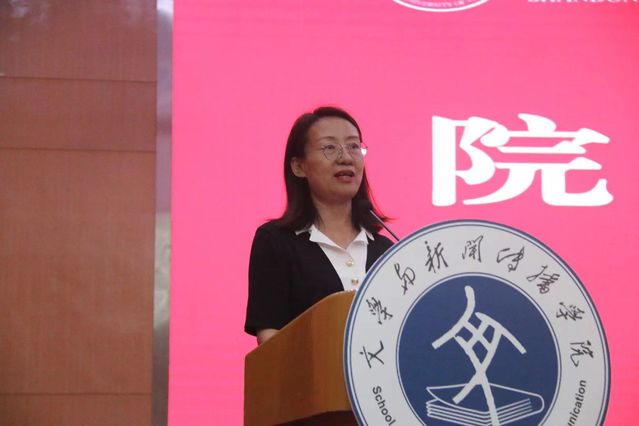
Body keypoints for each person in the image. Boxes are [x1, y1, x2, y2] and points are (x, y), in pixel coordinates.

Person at [244, 106, 393, 344]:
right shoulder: (276, 241)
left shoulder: (386, 251)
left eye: (354, 146)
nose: (346, 157)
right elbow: (270, 337)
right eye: (329, 147)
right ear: (299, 166)